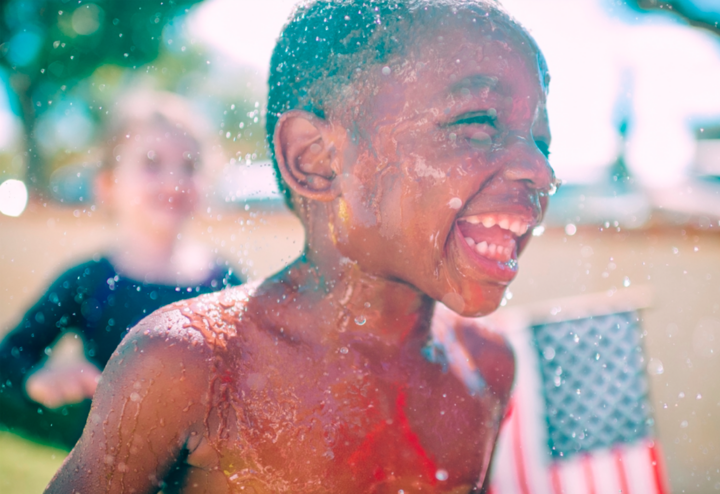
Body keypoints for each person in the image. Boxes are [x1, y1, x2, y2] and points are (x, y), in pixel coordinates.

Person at [46, 0, 556, 492]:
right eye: (477, 124)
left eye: (541, 142)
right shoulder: (194, 365)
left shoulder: (487, 367)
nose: (540, 170)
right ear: (315, 158)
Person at [0, 90, 241, 448]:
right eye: (151, 163)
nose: (173, 181)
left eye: (189, 166)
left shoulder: (226, 285)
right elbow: (9, 358)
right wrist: (36, 380)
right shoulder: (89, 282)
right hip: (107, 468)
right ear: (108, 185)